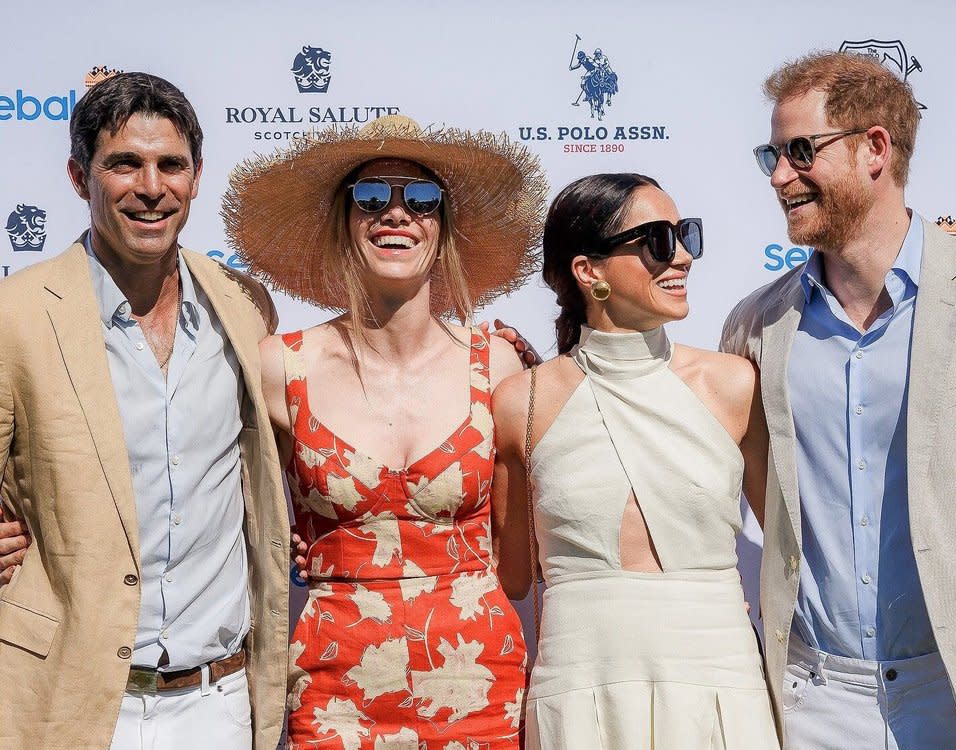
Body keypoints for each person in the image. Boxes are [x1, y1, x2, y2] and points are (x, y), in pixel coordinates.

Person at [222, 114, 547, 748]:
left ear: (443, 228)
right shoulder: (279, 366)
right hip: (332, 690)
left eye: (420, 199)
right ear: (344, 225)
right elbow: (210, 497)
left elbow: (521, 554)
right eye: (371, 198)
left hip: (479, 686)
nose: (395, 213)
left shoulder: (498, 363)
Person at [0, 73, 290, 749]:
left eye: (171, 165)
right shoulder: (15, 316)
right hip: (66, 703)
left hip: (218, 705)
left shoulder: (245, 308)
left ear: (195, 176)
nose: (151, 187)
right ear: (79, 177)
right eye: (124, 164)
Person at [721, 51, 956, 748]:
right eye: (771, 155)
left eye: (798, 151)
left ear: (873, 148)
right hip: (813, 699)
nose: (779, 176)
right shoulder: (754, 327)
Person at [491, 173, 778, 749]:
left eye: (685, 234)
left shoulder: (732, 384)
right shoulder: (521, 400)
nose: (684, 257)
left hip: (719, 680)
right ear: (588, 271)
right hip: (580, 686)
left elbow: (793, 545)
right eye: (657, 241)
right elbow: (511, 576)